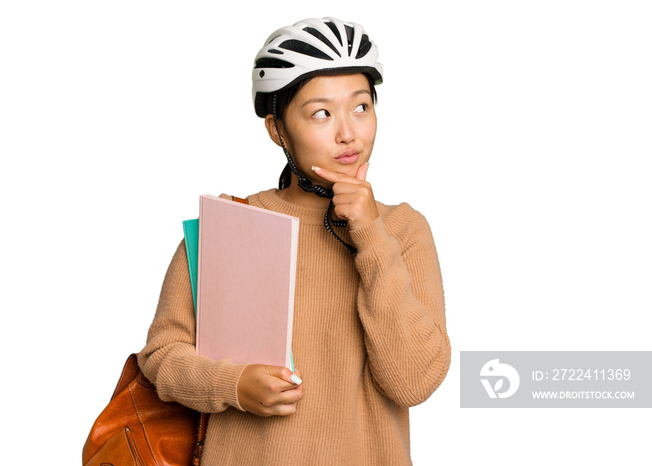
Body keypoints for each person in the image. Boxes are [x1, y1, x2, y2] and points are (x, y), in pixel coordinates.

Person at [138, 17, 450, 465]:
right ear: (277, 130)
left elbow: (414, 381)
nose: (348, 133)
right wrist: (234, 385)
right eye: (321, 113)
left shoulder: (402, 230)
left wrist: (369, 233)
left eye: (361, 106)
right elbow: (162, 358)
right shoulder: (232, 223)